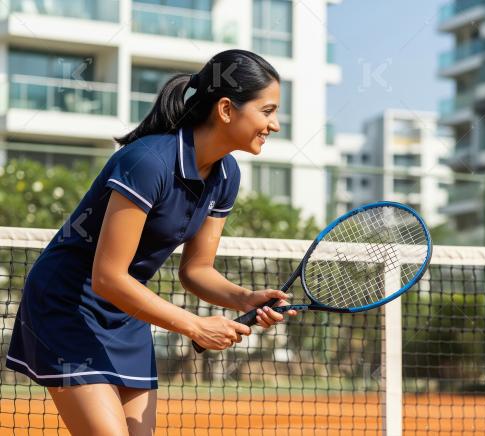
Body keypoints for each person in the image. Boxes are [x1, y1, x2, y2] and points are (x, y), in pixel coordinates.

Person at [5, 49, 298, 435]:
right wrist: (195, 326)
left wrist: (244, 298)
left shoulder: (227, 175)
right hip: (66, 305)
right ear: (226, 109)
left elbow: (196, 271)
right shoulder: (147, 162)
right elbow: (107, 277)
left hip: (126, 313)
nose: (275, 125)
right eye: (267, 111)